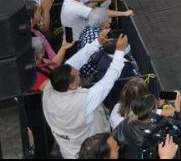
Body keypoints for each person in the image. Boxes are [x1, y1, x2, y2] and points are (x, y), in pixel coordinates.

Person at [42, 30, 130, 159]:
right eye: (77, 75)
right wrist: (119, 52)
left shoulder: (50, 88)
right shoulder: (83, 101)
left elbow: (72, 63)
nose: (78, 72)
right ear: (71, 85)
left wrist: (97, 43)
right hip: (93, 153)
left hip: (68, 151)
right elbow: (107, 81)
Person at [113, 92, 181, 159]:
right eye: (156, 103)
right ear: (153, 111)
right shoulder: (159, 129)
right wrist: (178, 110)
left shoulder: (125, 123)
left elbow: (114, 138)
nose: (157, 102)